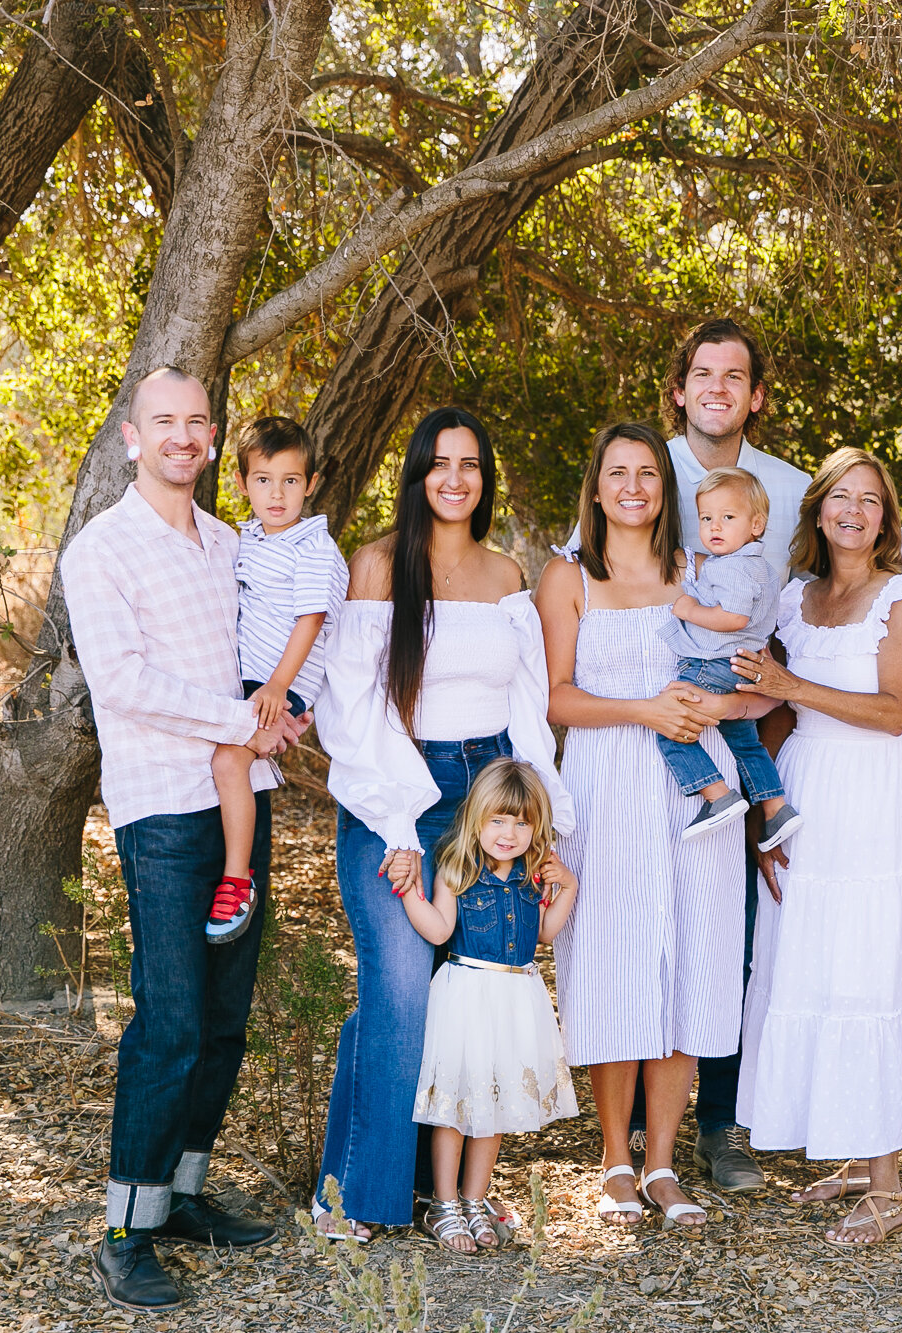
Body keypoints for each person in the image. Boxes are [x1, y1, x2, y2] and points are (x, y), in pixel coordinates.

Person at [64, 365, 308, 1312]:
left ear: (212, 437)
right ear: (133, 436)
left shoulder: (227, 541)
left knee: (223, 1019)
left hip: (244, 796)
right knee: (168, 1020)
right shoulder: (101, 550)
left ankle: (183, 1196)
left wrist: (274, 716)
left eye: (197, 421)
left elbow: (263, 655)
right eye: (163, 420)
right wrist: (231, 719)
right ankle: (126, 1230)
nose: (182, 434)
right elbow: (119, 682)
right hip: (163, 810)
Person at [313, 407, 573, 1241]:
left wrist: (545, 819)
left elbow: (527, 709)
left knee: (457, 995)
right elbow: (351, 709)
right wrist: (393, 819)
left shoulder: (505, 576)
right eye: (440, 463)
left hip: (489, 794)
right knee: (398, 995)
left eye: (471, 464)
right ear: (418, 472)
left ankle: (442, 1191)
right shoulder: (379, 565)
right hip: (396, 784)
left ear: (484, 479)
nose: (455, 478)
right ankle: (350, 1197)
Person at [731, 448, 902, 1246]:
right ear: (818, 511)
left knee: (869, 968)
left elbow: (894, 710)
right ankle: (857, 1157)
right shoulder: (794, 598)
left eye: (870, 499)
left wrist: (791, 686)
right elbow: (774, 716)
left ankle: (889, 1184)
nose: (854, 510)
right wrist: (767, 811)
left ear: (884, 517)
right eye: (841, 497)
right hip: (803, 793)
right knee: (811, 961)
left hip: (874, 795)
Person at [539, 422, 754, 1232]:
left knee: (692, 958)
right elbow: (553, 697)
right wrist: (643, 710)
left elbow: (745, 677)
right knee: (612, 961)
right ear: (594, 488)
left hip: (696, 787)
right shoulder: (567, 578)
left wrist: (712, 707)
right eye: (616, 473)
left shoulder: (698, 570)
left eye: (647, 474)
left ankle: (663, 1161)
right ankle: (614, 1160)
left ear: (666, 488)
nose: (632, 486)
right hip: (606, 783)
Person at [650, 318, 811, 1193]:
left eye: (734, 374)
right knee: (649, 925)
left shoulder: (786, 491)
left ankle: (720, 1121)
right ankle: (642, 1129)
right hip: (647, 718)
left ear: (756, 395)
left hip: (743, 721)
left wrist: (761, 757)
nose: (716, 387)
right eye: (700, 373)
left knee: (727, 935)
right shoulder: (640, 466)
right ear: (679, 389)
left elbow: (790, 628)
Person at [398, 759, 581, 1252]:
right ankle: (444, 1203)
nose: (510, 832)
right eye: (498, 820)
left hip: (517, 997)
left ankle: (475, 1200)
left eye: (522, 822)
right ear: (477, 818)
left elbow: (542, 934)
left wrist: (569, 887)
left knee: (495, 1107)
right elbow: (438, 930)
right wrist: (412, 893)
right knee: (457, 1106)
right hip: (469, 998)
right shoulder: (459, 870)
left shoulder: (532, 877)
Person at [207, 417, 346, 942]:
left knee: (227, 760)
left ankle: (237, 881)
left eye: (290, 480)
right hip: (250, 677)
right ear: (242, 484)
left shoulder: (313, 545)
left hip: (277, 680)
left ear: (310, 484)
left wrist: (276, 689)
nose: (277, 493)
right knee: (218, 757)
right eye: (264, 479)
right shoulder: (249, 538)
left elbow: (310, 619)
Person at [657, 468, 801, 847]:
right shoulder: (763, 568)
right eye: (706, 518)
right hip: (739, 664)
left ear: (757, 525)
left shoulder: (734, 567)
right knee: (745, 743)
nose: (714, 527)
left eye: (728, 517)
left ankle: (717, 796)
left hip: (713, 663)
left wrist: (688, 610)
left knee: (672, 726)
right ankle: (776, 809)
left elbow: (732, 617)